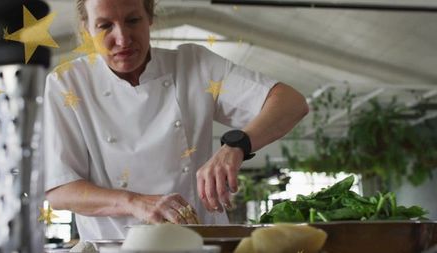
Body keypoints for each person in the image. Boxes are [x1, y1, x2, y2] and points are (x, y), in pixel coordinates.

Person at [44, 0, 309, 240]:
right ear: (86, 29)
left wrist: (237, 145)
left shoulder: (194, 65)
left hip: (201, 244)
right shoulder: (67, 83)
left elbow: (291, 102)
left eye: (132, 20)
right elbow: (60, 190)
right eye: (104, 26)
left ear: (150, 17)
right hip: (115, 247)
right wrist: (134, 202)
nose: (122, 39)